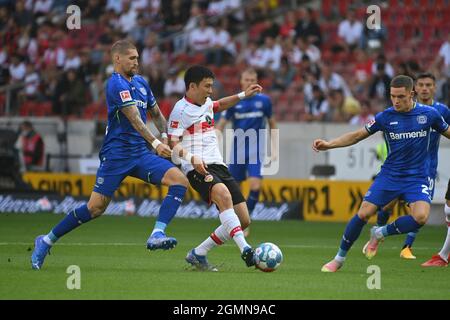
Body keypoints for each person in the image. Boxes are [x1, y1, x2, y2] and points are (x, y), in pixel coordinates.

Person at [30, 40, 207, 270]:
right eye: (132, 58)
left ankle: (157, 234)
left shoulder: (141, 83)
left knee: (179, 181)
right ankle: (45, 240)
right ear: (118, 59)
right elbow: (134, 118)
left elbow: (155, 113)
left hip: (140, 154)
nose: (136, 61)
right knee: (95, 208)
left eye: (137, 57)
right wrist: (155, 141)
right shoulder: (115, 84)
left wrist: (168, 136)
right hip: (116, 156)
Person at [312, 75, 450, 272]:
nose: (396, 101)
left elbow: (448, 132)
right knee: (363, 213)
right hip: (390, 175)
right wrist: (329, 144)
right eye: (392, 96)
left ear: (411, 94)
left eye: (401, 97)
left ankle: (380, 233)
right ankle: (338, 259)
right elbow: (357, 135)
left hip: (417, 177)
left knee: (420, 217)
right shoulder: (386, 116)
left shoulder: (430, 115)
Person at [168, 65, 262, 271]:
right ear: (192, 86)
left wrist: (242, 95)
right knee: (224, 196)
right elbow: (172, 143)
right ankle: (245, 249)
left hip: (218, 165)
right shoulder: (180, 109)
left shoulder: (207, 103)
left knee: (243, 220)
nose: (211, 90)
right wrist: (192, 159)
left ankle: (198, 253)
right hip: (197, 168)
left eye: (211, 86)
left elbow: (218, 105)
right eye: (207, 86)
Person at [370, 72, 450, 260]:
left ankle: (406, 246)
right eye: (421, 84)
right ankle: (377, 234)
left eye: (428, 85)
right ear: (414, 90)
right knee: (388, 205)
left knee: (420, 214)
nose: (424, 88)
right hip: (400, 167)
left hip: (426, 168)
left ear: (434, 88)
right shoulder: (402, 110)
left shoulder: (441, 111)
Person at [216, 68, 277, 237]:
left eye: (253, 80)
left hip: (256, 151)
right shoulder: (236, 101)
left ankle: (245, 221)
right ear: (241, 82)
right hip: (237, 152)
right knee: (233, 189)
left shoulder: (265, 101)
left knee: (256, 185)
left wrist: (274, 148)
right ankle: (236, 220)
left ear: (257, 82)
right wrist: (215, 137)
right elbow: (222, 123)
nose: (250, 82)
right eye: (247, 79)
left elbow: (272, 123)